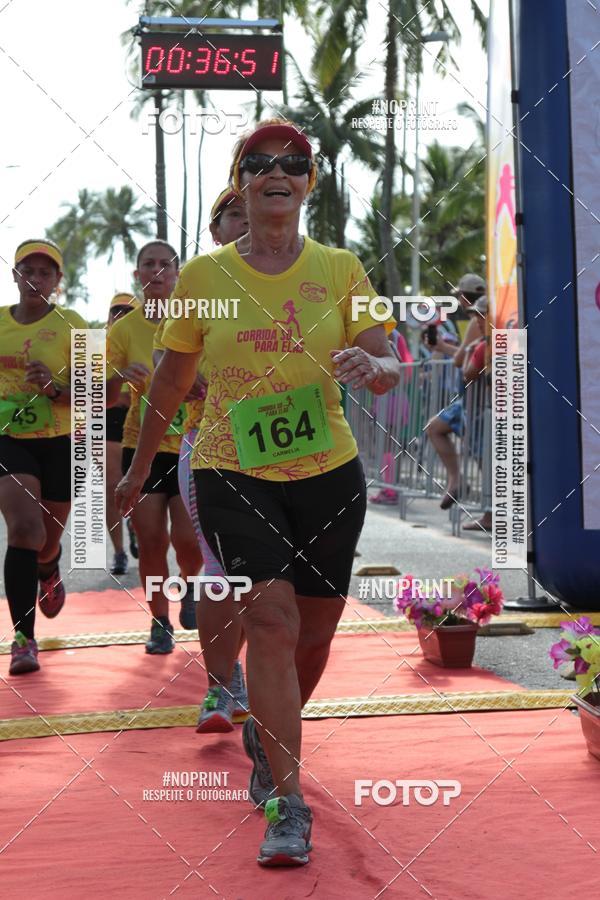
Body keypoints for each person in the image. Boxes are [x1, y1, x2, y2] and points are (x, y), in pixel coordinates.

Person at [116, 119, 400, 867]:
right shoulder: (205, 278)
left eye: (294, 162)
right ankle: (287, 802)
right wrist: (137, 471)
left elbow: (385, 357)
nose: (279, 171)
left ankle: (270, 736)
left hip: (328, 473)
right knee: (270, 622)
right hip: (230, 469)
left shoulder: (339, 268)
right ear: (240, 183)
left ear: (309, 184)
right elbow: (172, 381)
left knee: (314, 635)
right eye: (261, 162)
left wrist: (377, 370)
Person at [154, 189, 250, 731]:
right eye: (234, 215)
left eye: (250, 213)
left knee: (262, 576)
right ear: (216, 230)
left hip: (288, 452)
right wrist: (189, 380)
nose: (245, 222)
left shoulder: (301, 276)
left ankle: (253, 679)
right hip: (209, 445)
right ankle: (221, 684)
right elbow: (165, 358)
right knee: (219, 567)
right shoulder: (199, 281)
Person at [106, 240, 203, 653]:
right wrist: (119, 378)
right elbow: (98, 396)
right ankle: (159, 621)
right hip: (140, 445)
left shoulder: (197, 317)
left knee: (189, 540)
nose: (158, 271)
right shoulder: (123, 329)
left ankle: (190, 584)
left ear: (178, 273)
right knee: (150, 540)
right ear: (138, 274)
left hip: (189, 445)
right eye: (149, 264)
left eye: (166, 264)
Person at [0, 239, 87, 675]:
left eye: (45, 272)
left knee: (46, 541)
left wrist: (53, 389)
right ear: (15, 275)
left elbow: (95, 395)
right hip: (8, 439)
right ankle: (23, 639)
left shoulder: (75, 325)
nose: (35, 279)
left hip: (60, 441)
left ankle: (49, 567)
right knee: (24, 529)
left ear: (57, 281)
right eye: (28, 270)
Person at [106, 292, 139, 575]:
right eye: (116, 310)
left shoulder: (150, 338)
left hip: (142, 418)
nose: (120, 316)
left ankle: (135, 523)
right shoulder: (99, 347)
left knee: (140, 483)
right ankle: (118, 552)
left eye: (127, 312)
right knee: (112, 484)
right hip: (110, 419)